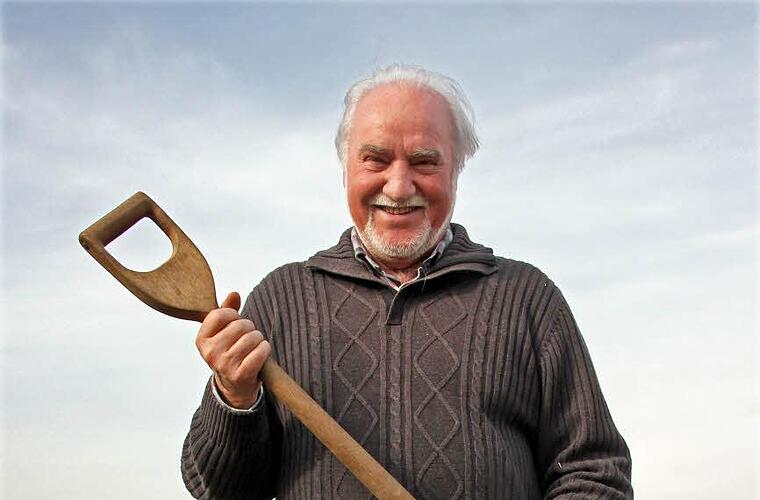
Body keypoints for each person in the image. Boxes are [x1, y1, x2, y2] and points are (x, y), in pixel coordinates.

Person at [181, 64, 633, 499]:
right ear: (346, 169)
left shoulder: (526, 298)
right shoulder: (281, 300)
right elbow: (217, 489)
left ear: (455, 171)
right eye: (375, 160)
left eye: (424, 161)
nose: (398, 187)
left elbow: (595, 471)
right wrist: (234, 397)